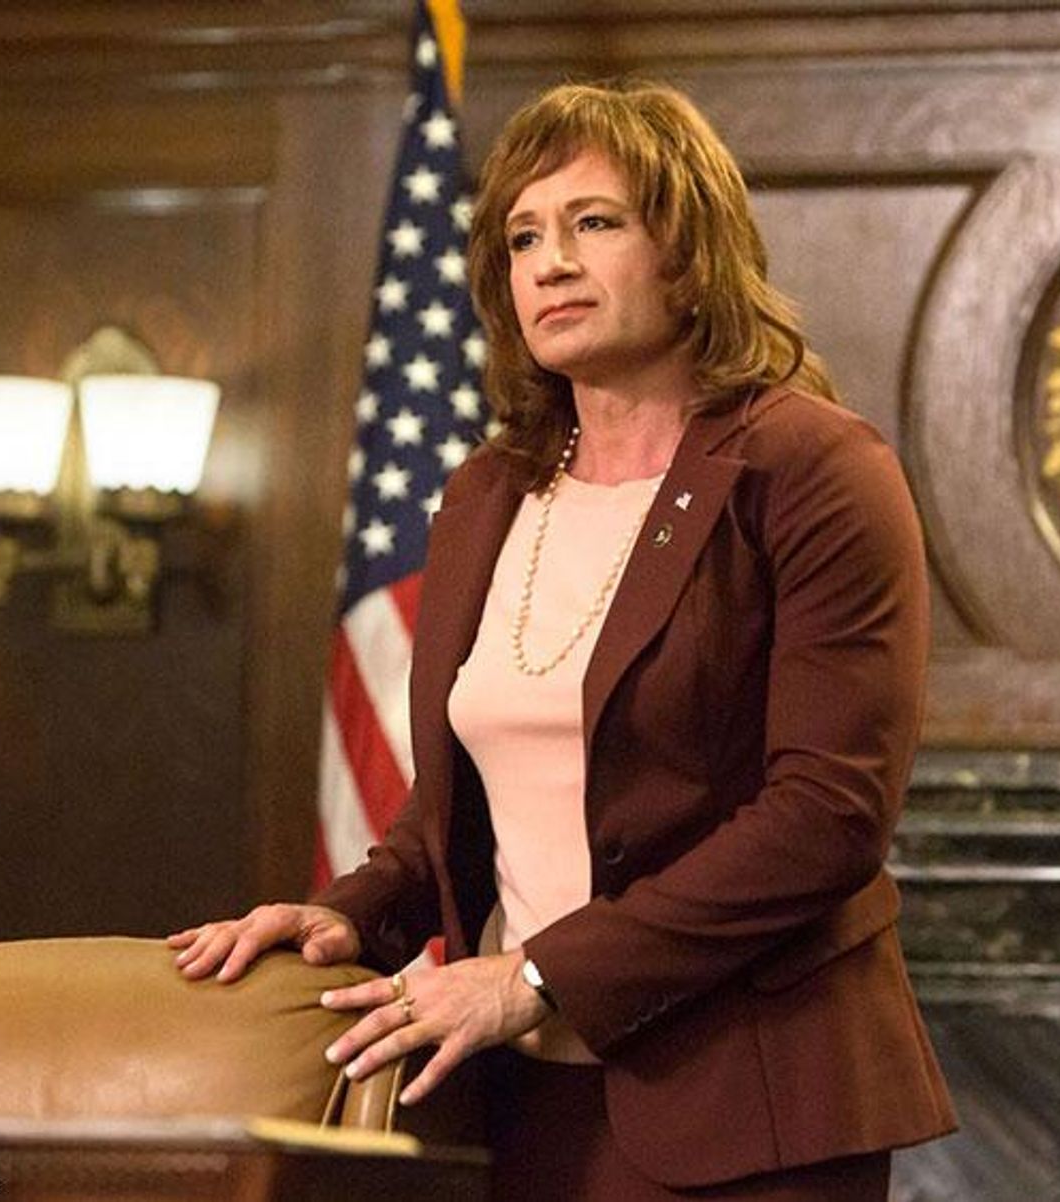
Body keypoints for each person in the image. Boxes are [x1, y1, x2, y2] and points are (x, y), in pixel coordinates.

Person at [169, 80, 956, 1200]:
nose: (552, 263)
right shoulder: (488, 491)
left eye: (595, 222)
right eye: (523, 237)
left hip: (751, 1100)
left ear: (690, 254)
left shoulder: (815, 470)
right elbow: (477, 798)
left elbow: (825, 817)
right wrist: (350, 912)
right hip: (520, 1100)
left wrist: (534, 975)